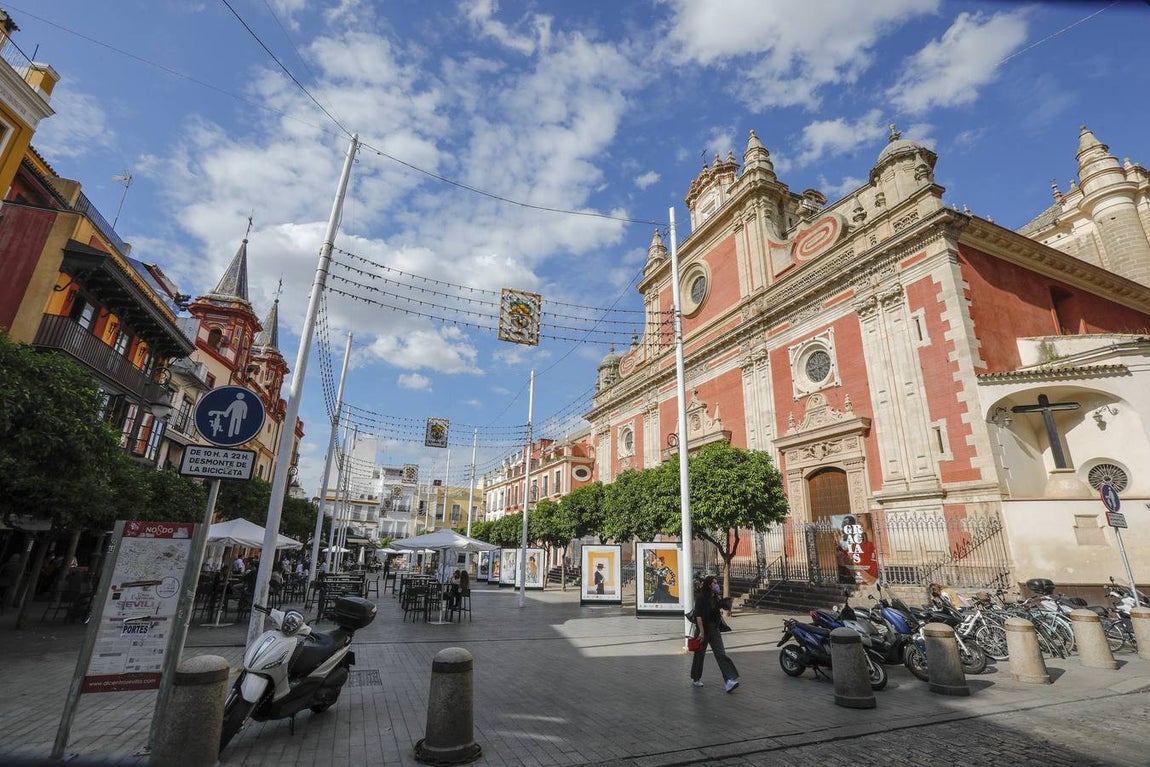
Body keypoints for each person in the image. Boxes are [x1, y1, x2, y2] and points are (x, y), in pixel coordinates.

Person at [689, 575, 740, 693]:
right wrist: (701, 632)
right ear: (708, 585)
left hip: (714, 629)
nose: (716, 585)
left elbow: (719, 609)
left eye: (717, 583)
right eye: (714, 583)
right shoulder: (701, 598)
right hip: (703, 630)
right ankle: (696, 678)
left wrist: (726, 602)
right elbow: (698, 616)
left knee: (721, 654)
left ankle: (729, 681)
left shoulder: (716, 597)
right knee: (699, 655)